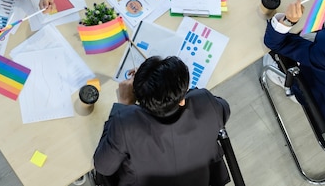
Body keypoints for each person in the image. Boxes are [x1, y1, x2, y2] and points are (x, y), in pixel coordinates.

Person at [93, 56, 231, 186]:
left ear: (140, 100)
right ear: (182, 99)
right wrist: (169, 88)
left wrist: (124, 104)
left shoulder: (125, 125)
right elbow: (224, 109)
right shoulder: (206, 102)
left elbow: (103, 167)